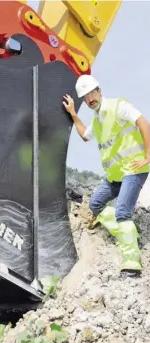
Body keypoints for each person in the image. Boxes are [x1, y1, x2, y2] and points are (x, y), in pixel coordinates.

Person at [63, 74, 150, 276]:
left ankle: (132, 265)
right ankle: (127, 233)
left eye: (91, 94)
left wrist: (148, 155)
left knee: (122, 211)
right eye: (84, 97)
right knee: (95, 205)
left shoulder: (118, 106)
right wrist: (73, 114)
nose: (89, 99)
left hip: (134, 169)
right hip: (116, 174)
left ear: (99, 91)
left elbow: (143, 123)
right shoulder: (98, 119)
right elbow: (85, 136)